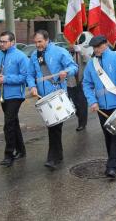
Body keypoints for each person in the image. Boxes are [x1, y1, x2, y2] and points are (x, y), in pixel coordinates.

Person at [83, 35, 116, 179]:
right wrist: (92, 101)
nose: (96, 50)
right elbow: (87, 84)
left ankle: (111, 166)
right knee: (108, 135)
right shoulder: (91, 64)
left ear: (106, 44)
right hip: (101, 106)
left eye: (99, 47)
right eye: (94, 48)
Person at [27, 30, 78, 169]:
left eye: (40, 41)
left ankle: (53, 158)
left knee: (54, 127)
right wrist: (32, 86)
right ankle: (58, 155)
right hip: (43, 97)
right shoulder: (34, 56)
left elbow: (74, 67)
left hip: (57, 95)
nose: (37, 45)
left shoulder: (59, 51)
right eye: (36, 42)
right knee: (52, 127)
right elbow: (30, 75)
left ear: (47, 40)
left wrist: (66, 72)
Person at [0, 31, 29, 167]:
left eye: (4, 42)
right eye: (0, 41)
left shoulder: (21, 56)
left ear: (12, 42)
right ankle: (21, 150)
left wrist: (6, 79)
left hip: (16, 95)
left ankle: (9, 155)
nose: (2, 44)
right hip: (2, 94)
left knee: (8, 124)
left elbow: (25, 77)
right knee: (13, 122)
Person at [67, 43, 88, 131]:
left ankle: (82, 123)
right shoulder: (66, 53)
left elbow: (87, 59)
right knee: (75, 105)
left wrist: (80, 51)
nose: (70, 45)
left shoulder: (80, 52)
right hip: (69, 83)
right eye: (69, 44)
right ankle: (80, 117)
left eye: (72, 43)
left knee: (82, 104)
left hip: (80, 82)